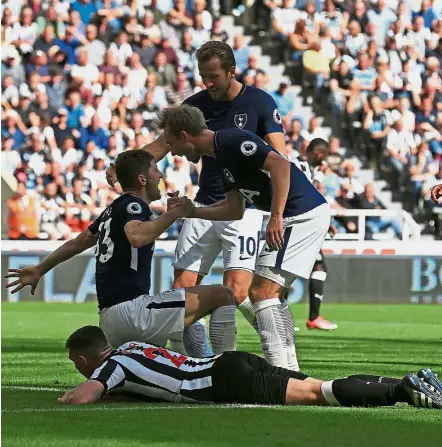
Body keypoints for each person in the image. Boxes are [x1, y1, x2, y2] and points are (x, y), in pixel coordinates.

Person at [106, 41, 289, 361]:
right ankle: (194, 362)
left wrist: (276, 210)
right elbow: (162, 145)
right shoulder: (195, 106)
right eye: (203, 75)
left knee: (236, 292)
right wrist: (125, 163)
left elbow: (279, 156)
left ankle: (245, 349)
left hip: (243, 209)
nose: (208, 82)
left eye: (214, 76)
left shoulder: (259, 102)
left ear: (232, 71)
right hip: (201, 206)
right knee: (182, 289)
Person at [5, 150, 236, 355]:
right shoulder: (134, 206)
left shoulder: (112, 209)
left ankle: (195, 364)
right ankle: (225, 367)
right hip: (133, 313)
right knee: (222, 295)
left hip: (110, 321)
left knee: (182, 314)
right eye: (156, 170)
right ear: (142, 179)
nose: (161, 176)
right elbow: (137, 236)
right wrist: (175, 214)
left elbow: (76, 243)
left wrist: (39, 269)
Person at [158, 104, 330, 369]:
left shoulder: (231, 139)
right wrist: (193, 210)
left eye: (171, 143)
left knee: (262, 292)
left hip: (301, 214)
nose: (174, 151)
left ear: (184, 135)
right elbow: (234, 209)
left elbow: (281, 166)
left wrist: (276, 216)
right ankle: (289, 370)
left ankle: (280, 374)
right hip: (298, 215)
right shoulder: (218, 157)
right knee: (267, 293)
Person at [58, 325, 442, 410]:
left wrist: (67, 398)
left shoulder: (112, 366)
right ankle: (411, 383)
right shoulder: (131, 346)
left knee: (318, 395)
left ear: (82, 359)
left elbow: (86, 396)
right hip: (230, 361)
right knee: (319, 384)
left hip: (218, 380)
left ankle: (400, 390)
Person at [292, 139, 338, 330]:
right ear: (319, 154)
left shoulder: (313, 170)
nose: (323, 162)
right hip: (297, 222)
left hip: (308, 223)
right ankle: (310, 317)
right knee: (291, 269)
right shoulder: (296, 165)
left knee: (317, 266)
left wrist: (328, 221)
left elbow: (318, 196)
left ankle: (313, 317)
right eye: (323, 158)